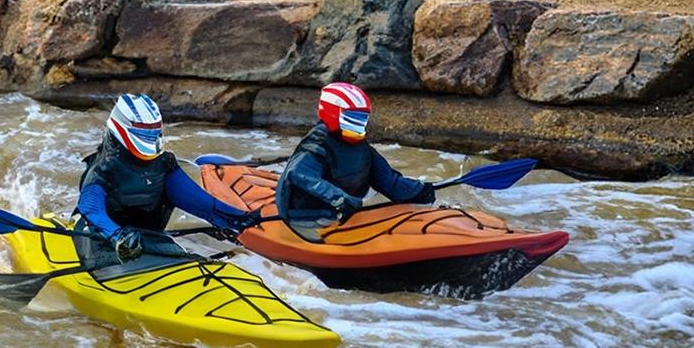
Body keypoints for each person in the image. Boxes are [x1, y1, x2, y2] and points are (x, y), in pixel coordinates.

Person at [75, 94, 257, 263]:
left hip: (148, 245)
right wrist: (117, 236)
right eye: (144, 131)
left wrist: (237, 218)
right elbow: (90, 209)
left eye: (154, 129)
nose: (151, 135)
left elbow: (200, 203)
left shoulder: (164, 164)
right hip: (100, 247)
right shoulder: (103, 169)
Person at [276, 83, 436, 225]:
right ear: (332, 114)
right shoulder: (317, 144)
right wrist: (338, 199)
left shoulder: (361, 147)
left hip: (341, 213)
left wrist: (416, 190)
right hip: (307, 216)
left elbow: (387, 180)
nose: (358, 124)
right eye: (353, 118)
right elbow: (298, 174)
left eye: (362, 119)